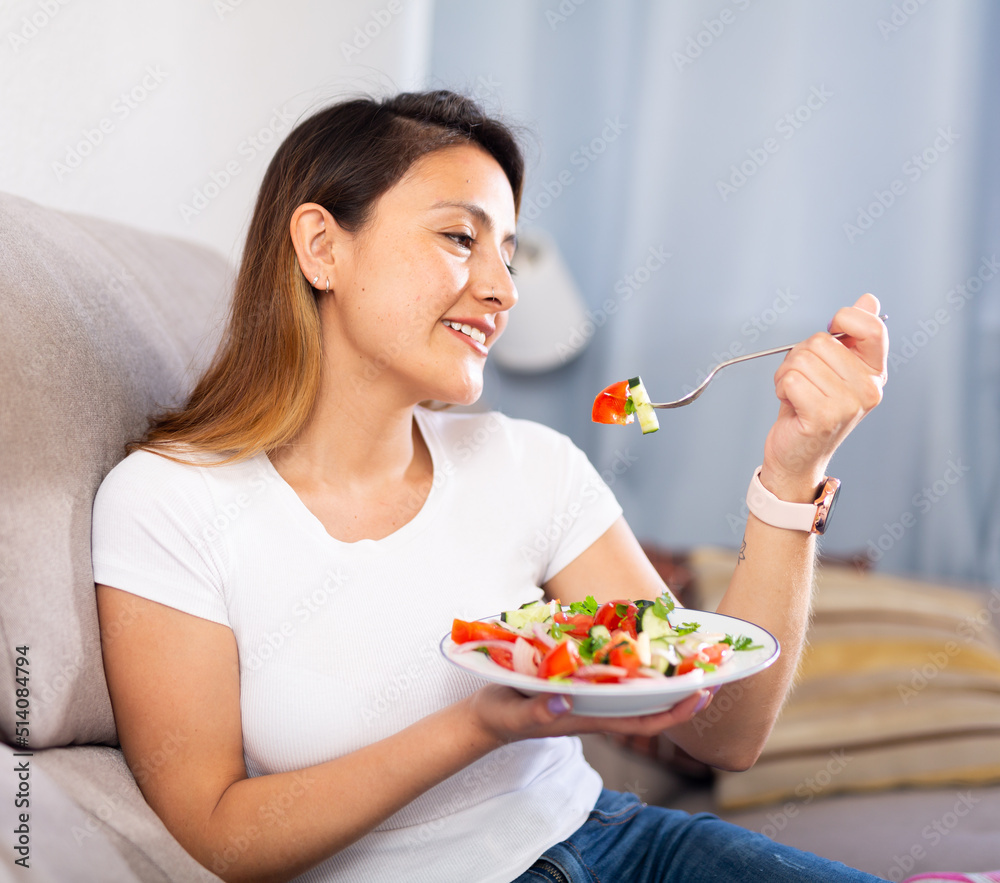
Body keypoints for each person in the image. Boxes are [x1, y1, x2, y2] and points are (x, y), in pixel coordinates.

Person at [92, 90, 891, 883]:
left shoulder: (529, 462)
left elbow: (725, 732)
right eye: (459, 238)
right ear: (321, 247)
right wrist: (479, 725)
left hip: (621, 845)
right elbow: (220, 835)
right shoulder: (167, 502)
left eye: (506, 254)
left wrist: (794, 471)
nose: (504, 290)